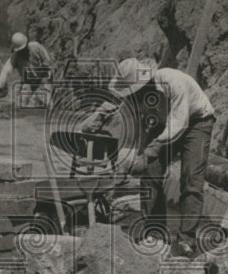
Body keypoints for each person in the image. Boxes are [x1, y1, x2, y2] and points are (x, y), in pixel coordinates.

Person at [87, 59, 216, 255]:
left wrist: (153, 148)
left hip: (197, 121)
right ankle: (155, 233)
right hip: (164, 122)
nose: (134, 95)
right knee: (150, 171)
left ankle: (187, 239)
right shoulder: (134, 97)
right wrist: (130, 159)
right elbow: (132, 127)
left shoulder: (173, 82)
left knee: (191, 178)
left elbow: (179, 122)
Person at [0, 32, 53, 105]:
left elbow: (48, 60)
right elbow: (5, 71)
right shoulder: (15, 57)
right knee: (21, 103)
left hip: (43, 79)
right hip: (29, 82)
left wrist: (46, 74)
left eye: (24, 48)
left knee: (47, 102)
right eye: (21, 50)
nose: (23, 51)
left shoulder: (35, 46)